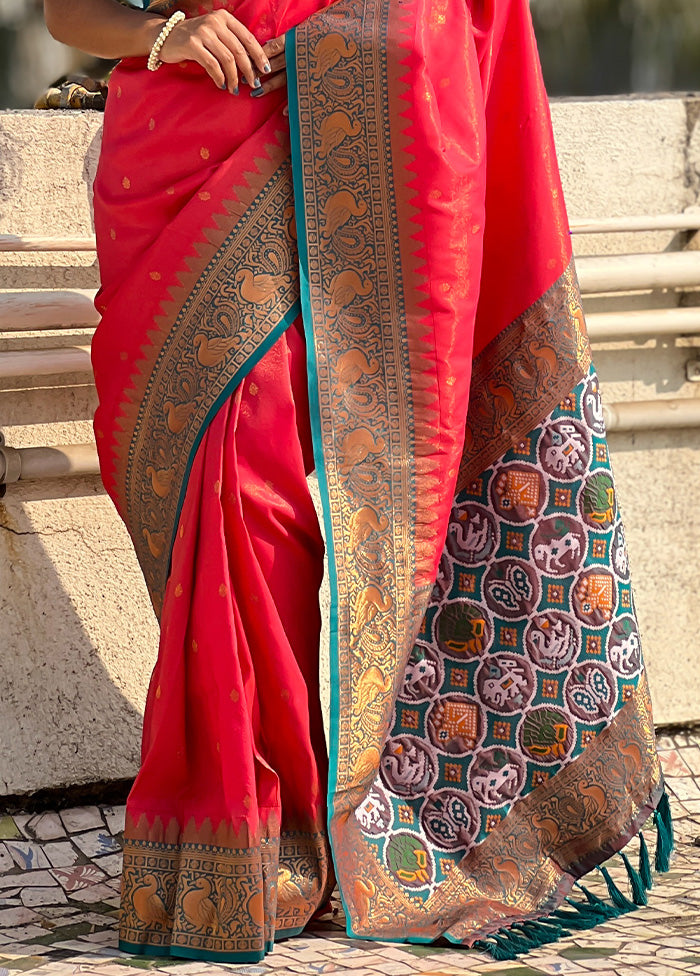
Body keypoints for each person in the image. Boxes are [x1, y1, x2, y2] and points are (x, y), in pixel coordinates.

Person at [43, 0, 672, 964]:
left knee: (266, 466)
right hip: (183, 151)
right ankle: (249, 831)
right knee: (224, 479)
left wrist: (368, 41)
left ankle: (328, 823)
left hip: (358, 121)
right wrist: (163, 36)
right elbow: (67, 14)